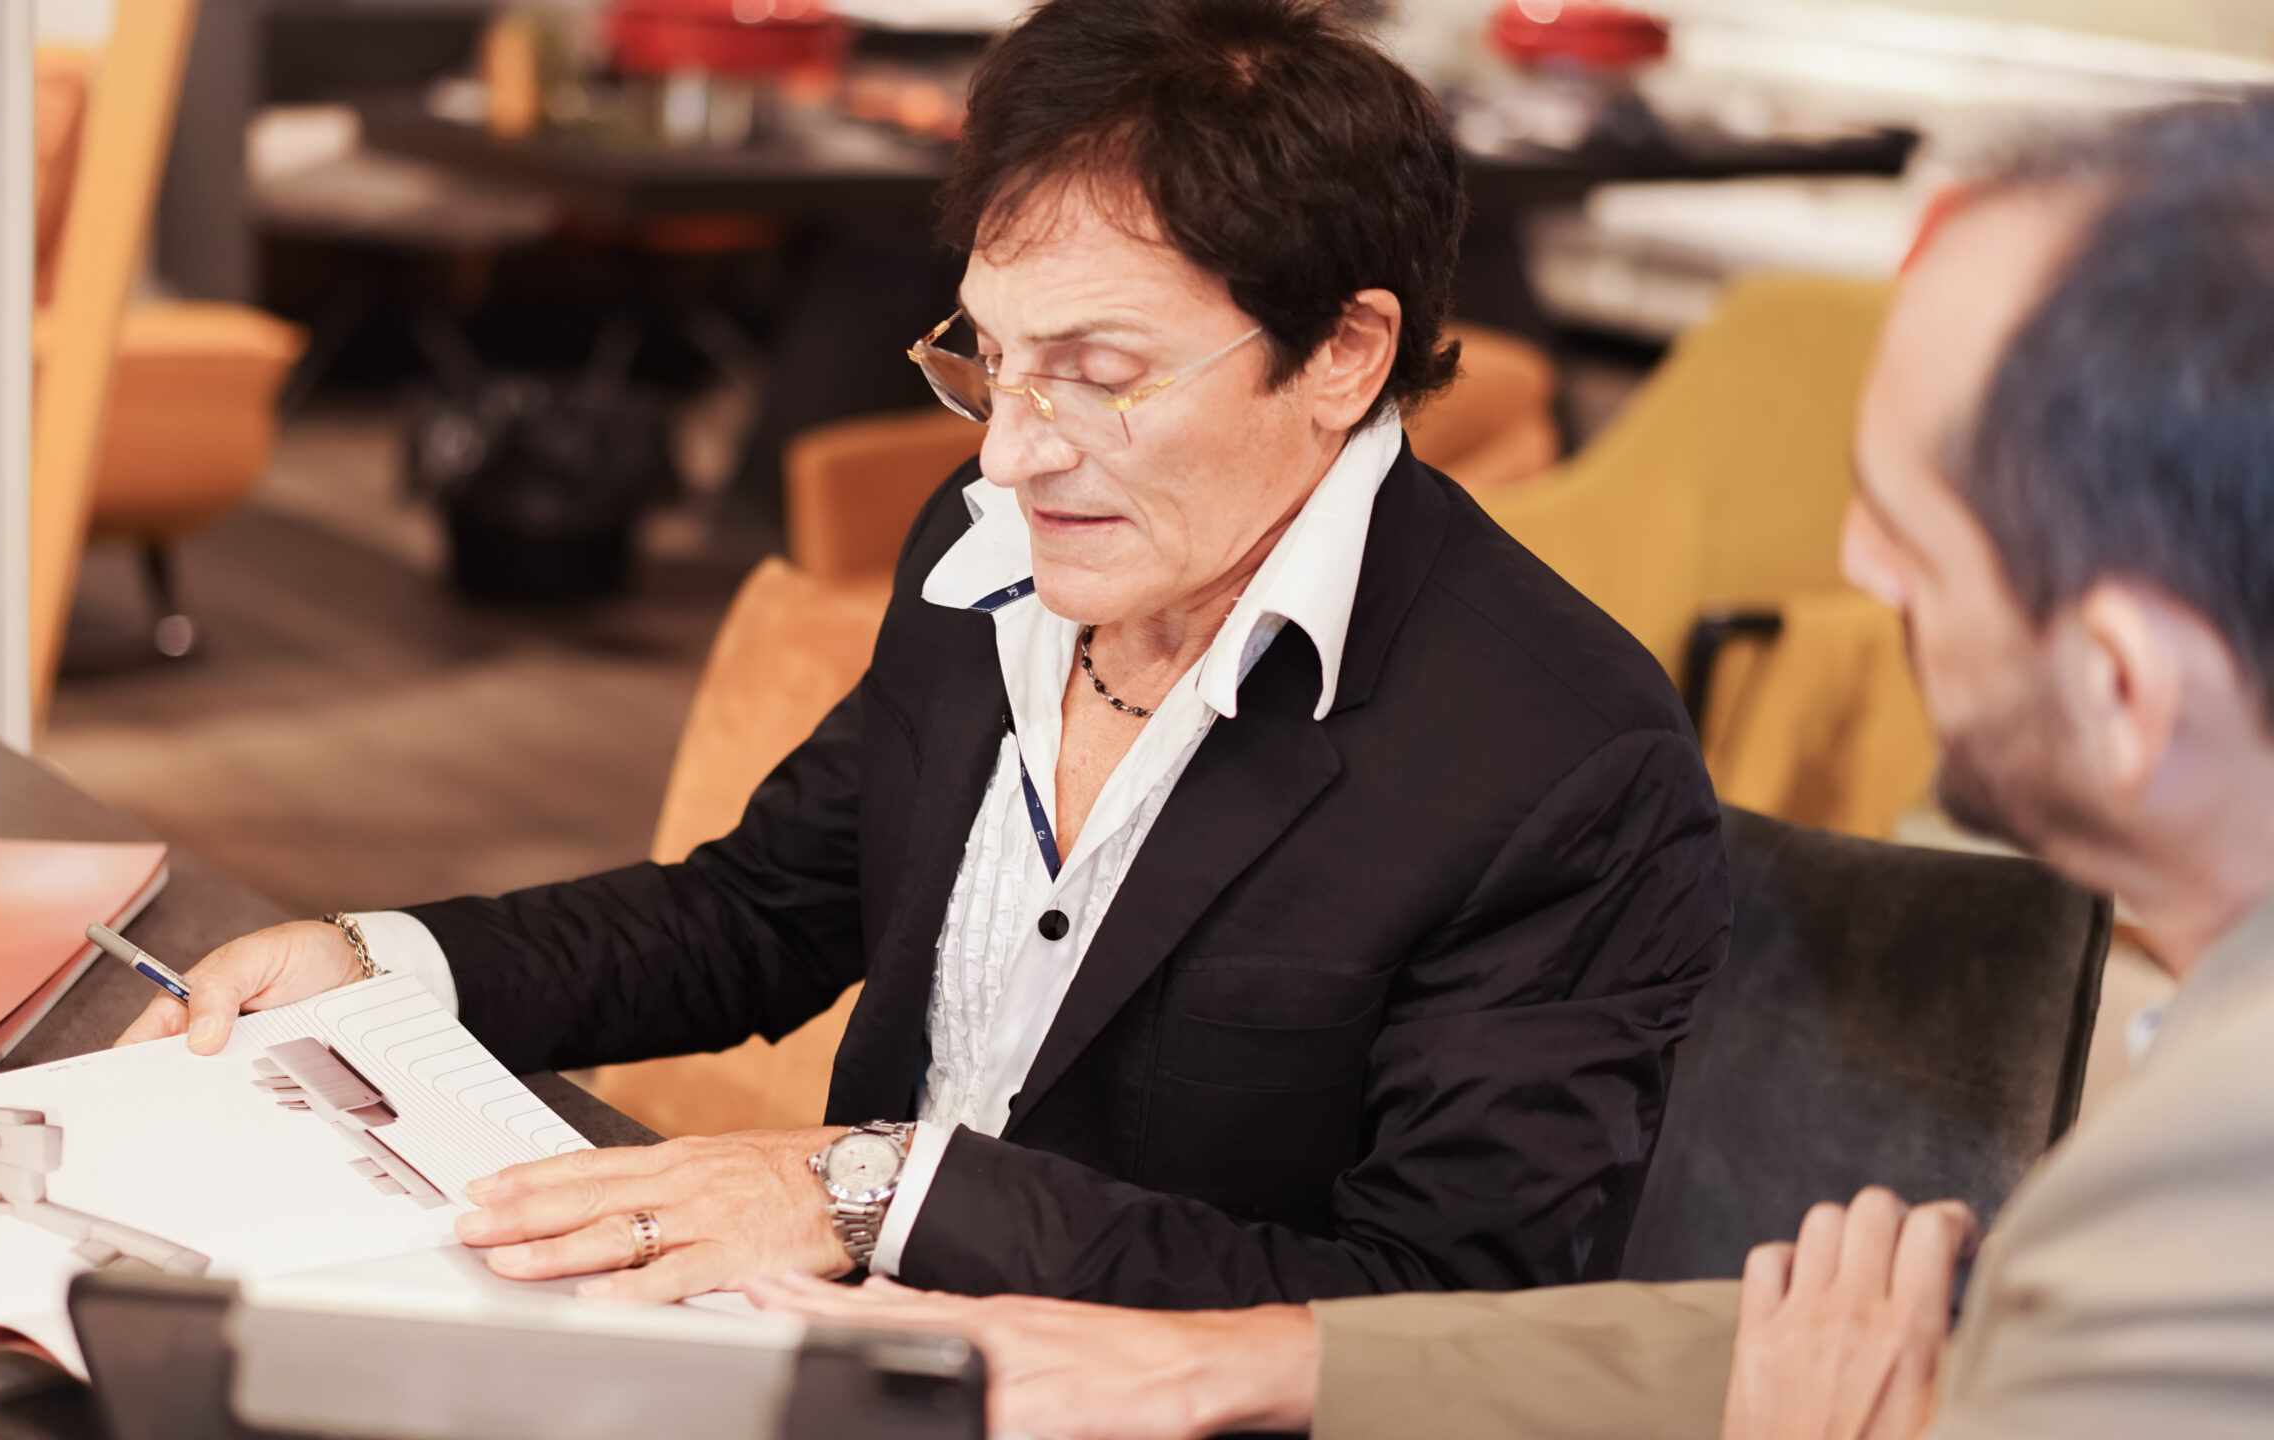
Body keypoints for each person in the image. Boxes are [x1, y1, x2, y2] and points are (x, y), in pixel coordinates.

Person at [118, 0, 1729, 1310]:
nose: (1012, 454)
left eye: (1100, 372)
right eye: (991, 359)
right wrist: (382, 965)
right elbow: (766, 908)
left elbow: (1432, 1318)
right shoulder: (993, 553)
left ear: (1342, 354)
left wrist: (873, 1194)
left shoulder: (1557, 760)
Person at [750, 93, 2274, 1440]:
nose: (1858, 572)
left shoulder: (2218, 1182)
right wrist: (1232, 1365)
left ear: (2125, 686)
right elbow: (1894, 1344)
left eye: (1910, 531)